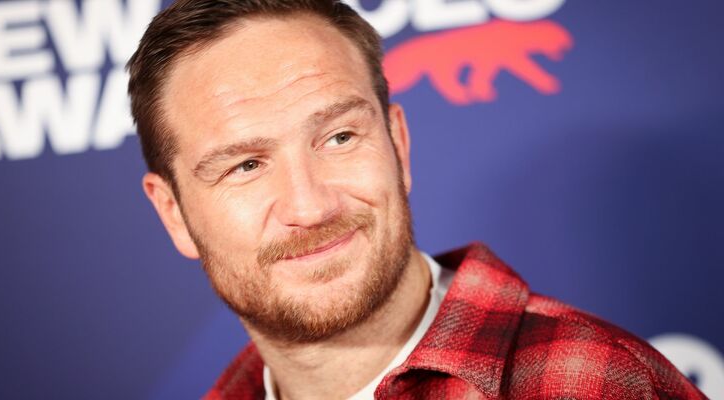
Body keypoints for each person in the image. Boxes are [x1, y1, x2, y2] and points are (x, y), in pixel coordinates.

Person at [126, 0, 706, 399]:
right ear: (173, 213)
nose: (309, 206)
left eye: (339, 137)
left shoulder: (592, 382)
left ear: (398, 146)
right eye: (246, 166)